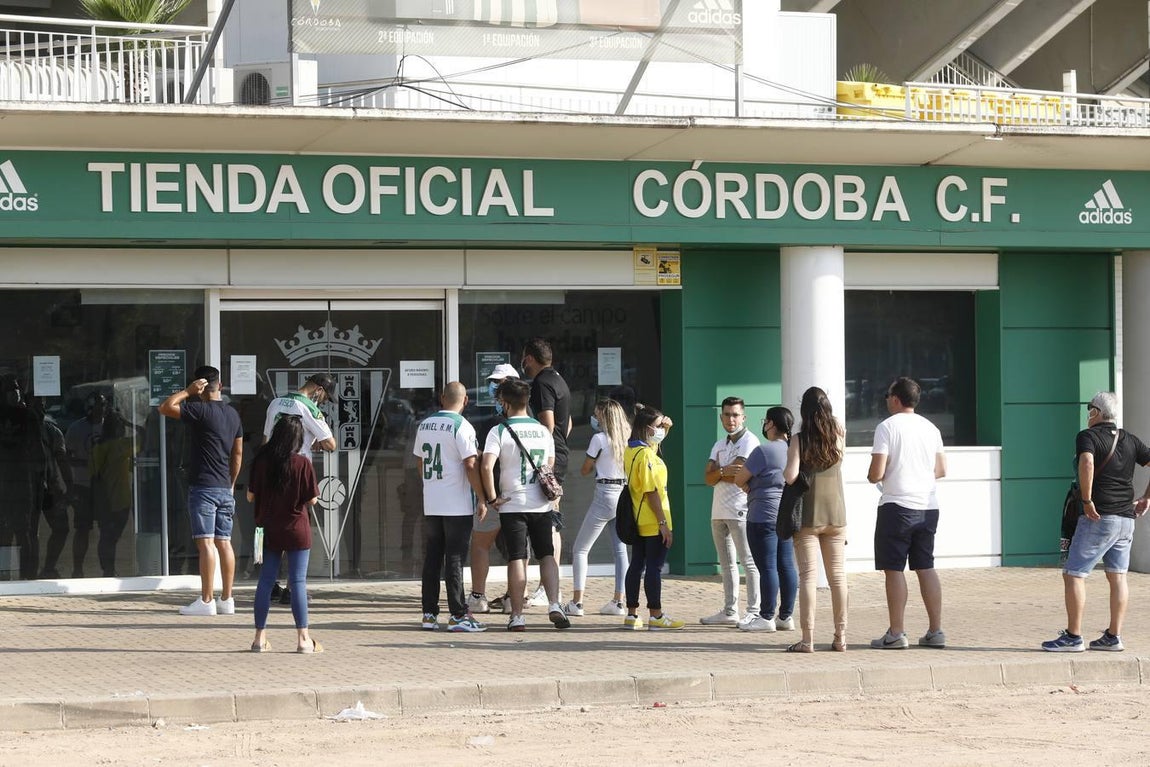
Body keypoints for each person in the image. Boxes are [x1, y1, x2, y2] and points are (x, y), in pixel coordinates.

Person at [1042, 391, 1150, 653]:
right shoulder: (1130, 439)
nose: (1088, 412)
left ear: (1097, 413)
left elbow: (1087, 462)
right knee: (1118, 577)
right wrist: (1146, 498)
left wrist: (1088, 500)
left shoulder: (1087, 437)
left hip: (1098, 518)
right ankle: (1113, 636)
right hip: (1126, 519)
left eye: (1090, 408)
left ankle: (1073, 636)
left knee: (1074, 574)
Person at [480, 378, 568, 631]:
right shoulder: (543, 430)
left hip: (512, 503)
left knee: (517, 558)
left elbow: (486, 465)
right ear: (527, 401)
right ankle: (554, 604)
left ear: (504, 403)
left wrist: (492, 497)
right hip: (541, 504)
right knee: (547, 555)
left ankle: (517, 615)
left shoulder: (499, 430)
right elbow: (549, 465)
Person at [867, 377, 948, 650]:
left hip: (897, 506)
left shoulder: (886, 427)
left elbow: (876, 472)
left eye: (888, 395)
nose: (886, 399)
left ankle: (896, 632)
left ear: (896, 398)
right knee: (926, 567)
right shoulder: (931, 427)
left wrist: (881, 476)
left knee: (894, 569)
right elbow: (941, 470)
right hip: (928, 506)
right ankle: (936, 630)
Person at [159, 366, 243, 617]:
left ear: (201, 386)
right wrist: (230, 482)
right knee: (224, 543)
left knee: (206, 543)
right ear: (222, 384)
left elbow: (165, 407)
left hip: (203, 486)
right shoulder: (232, 414)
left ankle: (206, 601)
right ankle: (227, 599)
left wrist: (187, 391)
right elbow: (237, 454)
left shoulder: (199, 410)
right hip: (224, 487)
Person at [416, 382, 487, 632]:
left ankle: (429, 614)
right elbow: (470, 464)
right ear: (465, 401)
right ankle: (458, 615)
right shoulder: (462, 426)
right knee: (454, 559)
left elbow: (420, 461)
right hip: (456, 504)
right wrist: (481, 496)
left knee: (432, 558)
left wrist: (430, 485)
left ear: (441, 398)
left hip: (432, 501)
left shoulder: (424, 424)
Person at [247, 416, 322, 653]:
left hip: (268, 529)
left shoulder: (260, 461)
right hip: (296, 528)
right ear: (297, 440)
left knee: (266, 580)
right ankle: (303, 640)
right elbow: (312, 499)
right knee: (298, 581)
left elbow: (250, 496)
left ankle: (259, 638)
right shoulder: (302, 464)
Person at [261, 373, 336, 604]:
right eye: (324, 397)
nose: (322, 402)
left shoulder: (275, 402)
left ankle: (271, 584)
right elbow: (331, 444)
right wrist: (314, 442)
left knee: (272, 530)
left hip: (272, 472)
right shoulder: (309, 409)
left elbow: (266, 440)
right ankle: (294, 589)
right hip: (296, 475)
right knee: (296, 531)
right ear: (319, 390)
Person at [783, 386, 848, 653]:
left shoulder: (799, 439)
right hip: (836, 513)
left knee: (808, 576)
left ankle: (807, 639)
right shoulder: (839, 433)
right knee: (838, 577)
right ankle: (840, 636)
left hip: (808, 514)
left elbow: (789, 476)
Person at [735, 406, 798, 633]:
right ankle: (786, 615)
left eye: (766, 421)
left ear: (771, 424)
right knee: (787, 565)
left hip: (762, 515)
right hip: (786, 515)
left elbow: (739, 478)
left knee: (767, 567)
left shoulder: (764, 451)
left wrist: (751, 486)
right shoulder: (793, 449)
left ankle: (766, 616)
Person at [564, 398, 630, 617]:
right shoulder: (628, 438)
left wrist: (592, 467)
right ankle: (619, 601)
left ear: (603, 417)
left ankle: (577, 602)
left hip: (604, 494)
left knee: (580, 549)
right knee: (620, 550)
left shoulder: (599, 439)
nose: (593, 418)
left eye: (596, 414)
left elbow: (585, 468)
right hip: (622, 493)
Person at [700, 396, 760, 626]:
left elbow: (739, 475)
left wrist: (720, 472)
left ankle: (754, 611)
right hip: (718, 511)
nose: (731, 419)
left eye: (735, 415)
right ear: (721, 416)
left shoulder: (750, 441)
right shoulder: (718, 444)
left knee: (748, 561)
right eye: (727, 414)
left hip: (740, 509)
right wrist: (724, 470)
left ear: (744, 417)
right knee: (727, 564)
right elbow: (707, 477)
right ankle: (729, 610)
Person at [521, 338, 571, 607]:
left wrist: (544, 456)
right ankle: (549, 585)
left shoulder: (541, 383)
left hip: (548, 460)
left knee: (549, 520)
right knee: (552, 517)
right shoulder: (559, 379)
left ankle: (548, 587)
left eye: (524, 358)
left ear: (529, 358)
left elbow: (548, 424)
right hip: (558, 456)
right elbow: (569, 422)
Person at [623, 405, 683, 630]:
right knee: (654, 568)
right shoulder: (646, 454)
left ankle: (631, 613)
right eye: (657, 427)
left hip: (638, 517)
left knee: (636, 565)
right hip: (652, 518)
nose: (660, 430)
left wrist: (665, 427)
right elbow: (651, 492)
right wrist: (663, 524)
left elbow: (653, 445)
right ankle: (656, 615)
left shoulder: (633, 450)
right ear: (646, 428)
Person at [467, 362, 519, 615]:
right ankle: (513, 598)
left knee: (481, 544)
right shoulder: (535, 426)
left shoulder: (493, 426)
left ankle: (479, 596)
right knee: (516, 549)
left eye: (499, 385)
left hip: (498, 497)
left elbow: (482, 464)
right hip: (520, 498)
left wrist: (485, 498)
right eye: (494, 384)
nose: (495, 390)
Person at [89, 412, 136, 578]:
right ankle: (108, 569)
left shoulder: (99, 446)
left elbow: (94, 473)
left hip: (106, 498)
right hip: (119, 498)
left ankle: (107, 569)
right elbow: (145, 435)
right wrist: (129, 422)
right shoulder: (122, 445)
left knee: (106, 536)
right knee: (112, 537)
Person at [65, 391, 106, 578]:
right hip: (82, 485)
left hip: (105, 486)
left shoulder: (111, 427)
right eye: (97, 405)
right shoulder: (76, 428)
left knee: (107, 530)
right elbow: (67, 458)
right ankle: (77, 569)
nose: (101, 409)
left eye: (103, 405)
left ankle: (108, 569)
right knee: (82, 529)